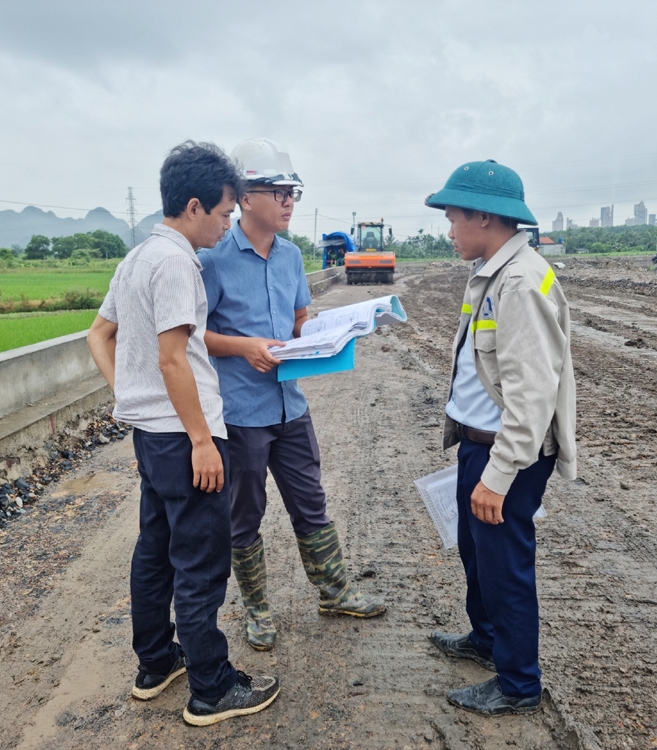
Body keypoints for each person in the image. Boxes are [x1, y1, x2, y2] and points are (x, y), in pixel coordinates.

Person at [86, 141, 280, 727]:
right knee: (200, 560)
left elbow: (98, 337)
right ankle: (212, 688)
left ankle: (155, 664)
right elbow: (174, 360)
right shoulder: (176, 263)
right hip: (184, 435)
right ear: (193, 207)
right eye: (224, 214)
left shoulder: (137, 257)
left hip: (152, 434)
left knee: (155, 550)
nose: (227, 225)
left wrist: (130, 398)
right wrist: (200, 439)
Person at [197, 137, 386, 652]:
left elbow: (300, 321)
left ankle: (335, 590)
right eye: (277, 191)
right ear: (245, 197)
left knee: (311, 501)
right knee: (245, 512)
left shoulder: (290, 257)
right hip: (242, 412)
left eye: (292, 192)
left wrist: (333, 332)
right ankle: (257, 609)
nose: (287, 202)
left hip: (289, 405)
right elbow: (193, 335)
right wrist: (243, 347)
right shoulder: (213, 260)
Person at [423, 160, 577, 716]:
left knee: (505, 565)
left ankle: (518, 684)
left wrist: (499, 474)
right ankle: (486, 639)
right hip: (477, 443)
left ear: (484, 217)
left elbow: (533, 395)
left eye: (454, 218)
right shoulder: (491, 271)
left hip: (504, 452)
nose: (449, 230)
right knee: (477, 554)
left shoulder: (519, 282)